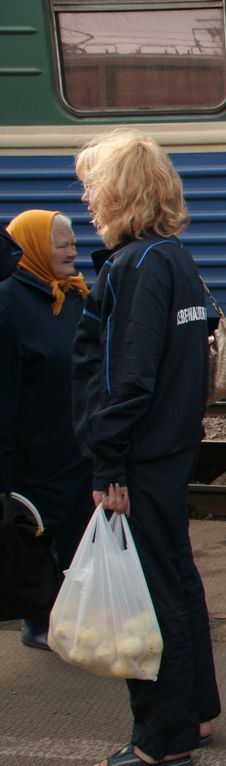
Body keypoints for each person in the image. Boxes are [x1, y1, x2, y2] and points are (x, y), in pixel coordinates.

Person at [71, 128, 220, 766]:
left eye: (91, 184)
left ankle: (162, 737)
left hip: (139, 457)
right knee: (177, 580)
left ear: (117, 191)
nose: (86, 197)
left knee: (147, 598)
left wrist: (107, 464)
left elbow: (127, 377)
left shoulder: (133, 268)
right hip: (171, 447)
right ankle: (197, 710)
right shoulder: (175, 258)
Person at [0, 210, 94, 650]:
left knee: (77, 530)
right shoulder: (9, 300)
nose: (72, 250)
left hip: (74, 440)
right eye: (60, 243)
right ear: (35, 247)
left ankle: (72, 613)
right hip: (35, 448)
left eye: (73, 241)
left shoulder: (73, 295)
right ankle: (39, 621)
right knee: (41, 537)